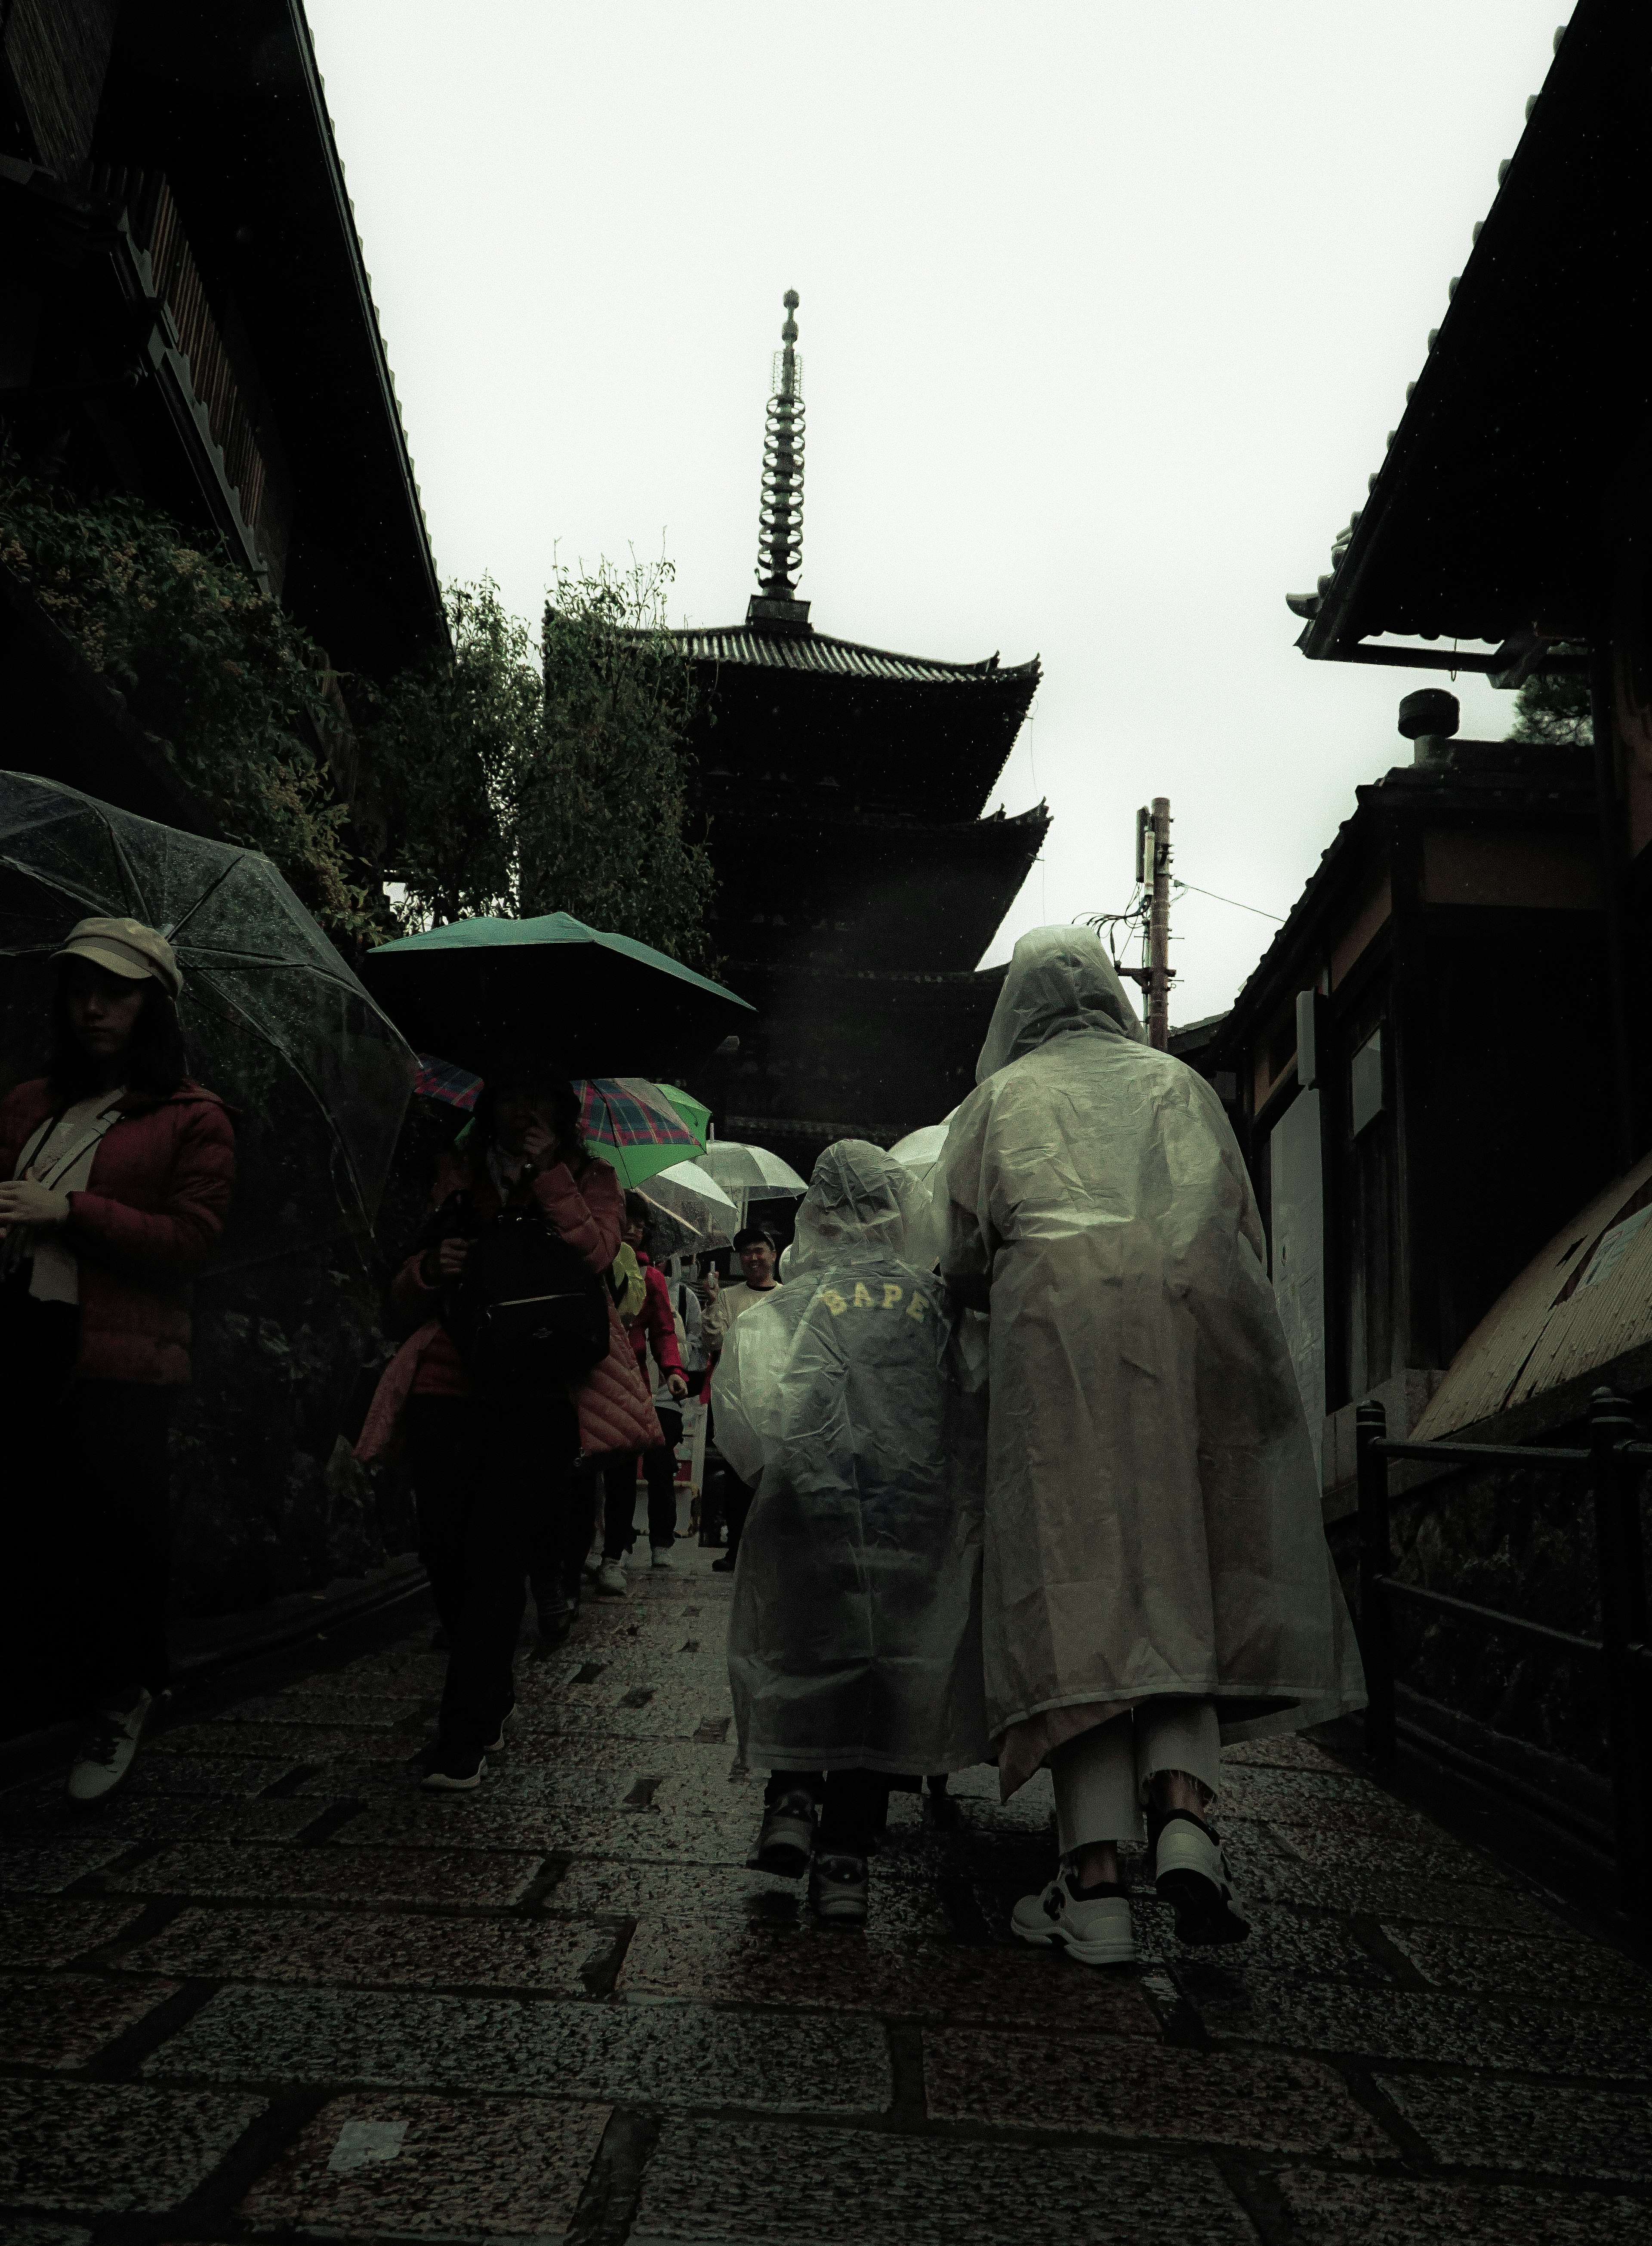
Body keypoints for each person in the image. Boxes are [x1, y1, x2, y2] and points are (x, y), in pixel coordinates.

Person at [940, 927, 1363, 1966]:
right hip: (1183, 1353)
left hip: (1054, 1357)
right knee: (1173, 1577)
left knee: (1077, 1592)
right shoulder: (1180, 1089)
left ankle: (1094, 1889)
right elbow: (1232, 1228)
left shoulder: (997, 1101)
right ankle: (1184, 1819)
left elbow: (957, 1254)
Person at [356, 1053, 660, 1789]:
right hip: (448, 1381)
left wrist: (548, 1177)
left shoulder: (593, 1180)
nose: (522, 1116)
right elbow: (402, 1288)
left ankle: (463, 1732)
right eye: (510, 1101)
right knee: (446, 1550)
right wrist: (435, 1267)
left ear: (561, 1116)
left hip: (536, 1389)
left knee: (498, 1553)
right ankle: (487, 1687)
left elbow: (598, 1256)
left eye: (538, 1104)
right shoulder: (457, 1175)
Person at [717, 1142, 988, 1924]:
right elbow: (972, 1409)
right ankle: (846, 1856)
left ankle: (792, 1799)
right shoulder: (939, 1307)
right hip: (911, 1525)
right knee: (882, 1677)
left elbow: (751, 1427)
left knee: (805, 1655)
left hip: (810, 1519)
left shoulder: (788, 1308)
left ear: (818, 1218)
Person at [0, 916, 236, 1803]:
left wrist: (70, 1213)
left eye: (116, 991)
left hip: (115, 1356)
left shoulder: (193, 1119)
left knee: (114, 1537)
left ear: (154, 1006)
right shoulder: (29, 1103)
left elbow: (193, 1239)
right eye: (79, 989)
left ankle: (124, 1692)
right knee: (31, 1529)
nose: (93, 1007)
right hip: (21, 1336)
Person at [593, 1191, 690, 1596]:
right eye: (625, 1220)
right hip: (589, 1378)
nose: (632, 1229)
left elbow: (664, 1331)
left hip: (630, 1385)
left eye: (639, 1223)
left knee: (621, 1473)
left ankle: (614, 1554)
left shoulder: (650, 1279)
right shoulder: (592, 1268)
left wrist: (673, 1370)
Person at [702, 1224, 782, 1571]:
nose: (752, 1258)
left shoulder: (788, 1296)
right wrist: (711, 1305)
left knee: (776, 1481)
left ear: (773, 1254)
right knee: (737, 1478)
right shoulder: (729, 1298)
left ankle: (770, 1555)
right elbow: (714, 1342)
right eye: (746, 1252)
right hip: (737, 1404)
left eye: (758, 1250)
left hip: (776, 1403)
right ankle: (735, 1551)